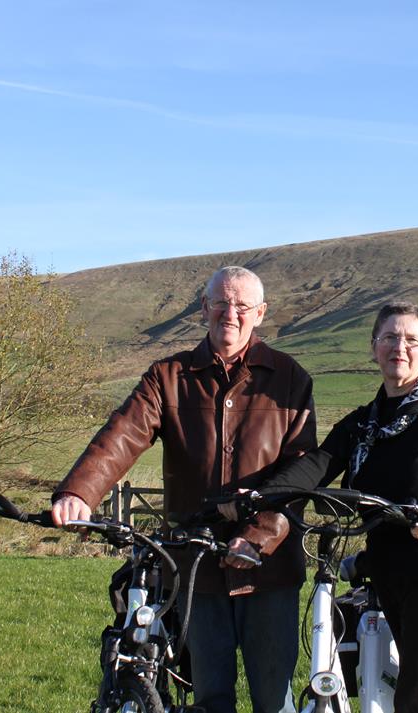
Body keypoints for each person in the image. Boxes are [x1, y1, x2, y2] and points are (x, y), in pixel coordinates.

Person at [50, 266, 314, 713]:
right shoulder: (168, 376)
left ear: (260, 313)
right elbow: (124, 434)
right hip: (198, 569)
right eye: (220, 303)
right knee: (210, 698)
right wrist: (80, 491)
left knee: (274, 698)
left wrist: (258, 537)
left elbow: (300, 473)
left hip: (269, 572)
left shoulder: (289, 378)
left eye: (242, 306)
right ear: (204, 308)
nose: (229, 314)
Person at [252, 301, 418, 713]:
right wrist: (260, 498)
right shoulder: (362, 423)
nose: (399, 347)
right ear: (374, 347)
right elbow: (317, 466)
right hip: (389, 571)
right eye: (389, 337)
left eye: (411, 339)